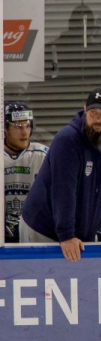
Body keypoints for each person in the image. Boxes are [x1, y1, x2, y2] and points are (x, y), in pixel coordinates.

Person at [21, 87, 101, 260]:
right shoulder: (67, 140)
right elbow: (63, 191)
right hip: (43, 226)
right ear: (84, 110)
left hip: (80, 229)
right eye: (93, 113)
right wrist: (66, 235)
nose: (97, 120)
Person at [3, 102, 48, 243]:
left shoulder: (43, 155)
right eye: (17, 127)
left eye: (27, 125)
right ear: (4, 129)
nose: (24, 132)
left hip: (35, 233)